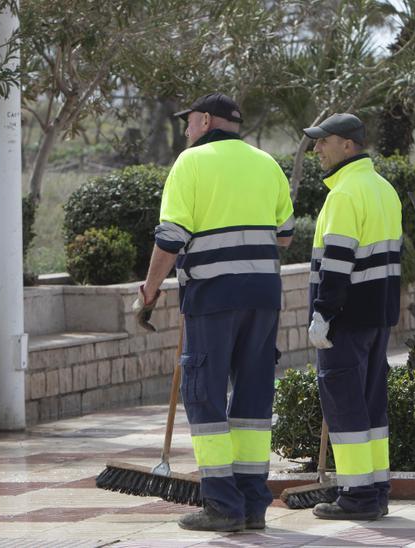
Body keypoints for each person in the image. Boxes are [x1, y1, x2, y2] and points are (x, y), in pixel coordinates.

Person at [138, 92, 294, 532]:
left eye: (188, 122)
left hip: (213, 296)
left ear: (206, 120)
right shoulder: (267, 163)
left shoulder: (190, 164)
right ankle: (252, 504)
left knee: (204, 393)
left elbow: (170, 237)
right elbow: (284, 236)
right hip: (264, 295)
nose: (185, 130)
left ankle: (222, 504)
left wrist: (150, 290)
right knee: (253, 397)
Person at [303, 113, 402, 520]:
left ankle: (357, 496)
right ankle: (376, 489)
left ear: (348, 145)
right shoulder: (383, 189)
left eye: (323, 141)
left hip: (344, 319)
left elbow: (338, 262)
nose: (316, 149)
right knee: (371, 404)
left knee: (344, 404)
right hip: (377, 316)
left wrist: (323, 314)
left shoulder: (344, 194)